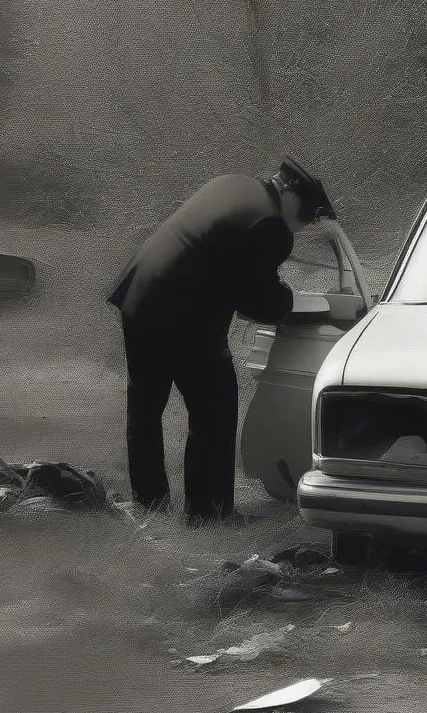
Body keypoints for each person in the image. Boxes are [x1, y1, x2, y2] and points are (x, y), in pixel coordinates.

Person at [107, 157, 337, 524]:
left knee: (146, 407)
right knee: (215, 408)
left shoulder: (233, 183)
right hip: (182, 314)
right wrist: (288, 300)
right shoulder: (270, 225)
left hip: (139, 296)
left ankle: (150, 505)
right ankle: (208, 514)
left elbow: (224, 266)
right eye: (307, 216)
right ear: (291, 196)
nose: (303, 224)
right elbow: (255, 299)